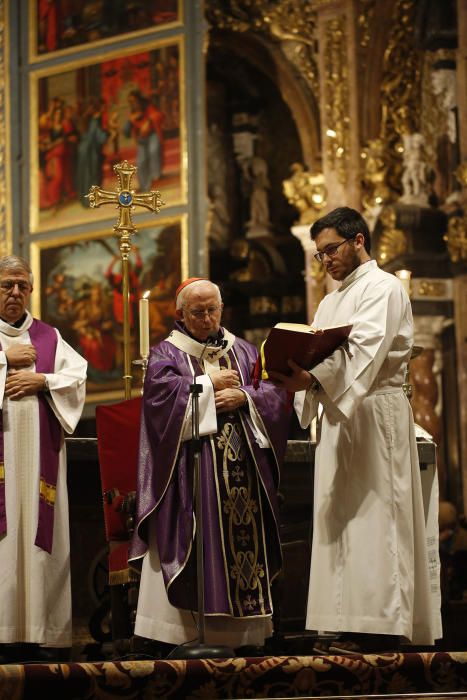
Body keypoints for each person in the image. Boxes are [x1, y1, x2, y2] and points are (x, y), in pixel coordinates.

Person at [268, 207, 442, 654]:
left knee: (376, 517)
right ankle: (342, 622)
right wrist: (300, 372)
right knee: (341, 521)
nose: (325, 260)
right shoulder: (330, 299)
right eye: (319, 254)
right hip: (338, 413)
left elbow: (365, 348)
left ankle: (379, 626)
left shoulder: (383, 288)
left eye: (331, 249)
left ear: (359, 240)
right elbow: (321, 348)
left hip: (373, 413)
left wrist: (314, 380)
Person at [129, 278, 292, 653]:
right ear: (180, 314)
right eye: (197, 312)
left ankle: (244, 637)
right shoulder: (165, 355)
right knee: (196, 540)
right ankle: (184, 634)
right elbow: (158, 407)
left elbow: (274, 394)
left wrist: (244, 397)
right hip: (190, 473)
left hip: (243, 476)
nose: (206, 319)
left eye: (212, 310)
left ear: (221, 309)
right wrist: (205, 385)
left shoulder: (247, 351)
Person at [0, 255, 87, 662]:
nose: (15, 292)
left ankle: (42, 631)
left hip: (39, 461)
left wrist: (42, 379)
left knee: (38, 535)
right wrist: (5, 363)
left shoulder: (50, 337)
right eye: (6, 285)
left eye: (22, 285)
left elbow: (77, 377)